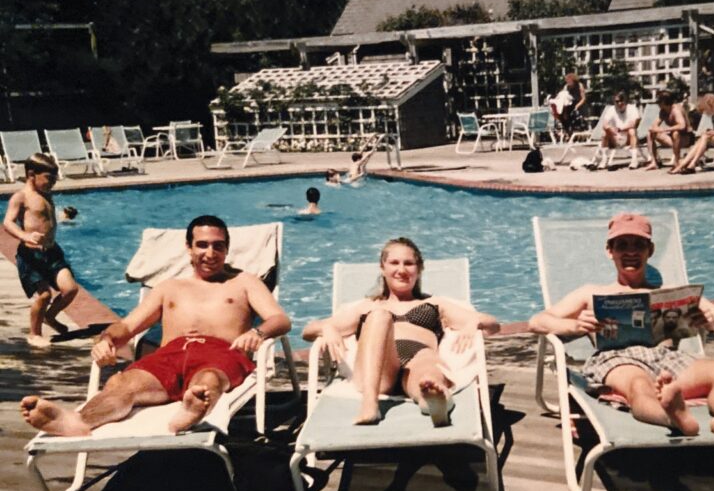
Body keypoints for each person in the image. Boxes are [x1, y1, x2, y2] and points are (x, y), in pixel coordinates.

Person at [20, 215, 291, 437]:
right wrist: (106, 339)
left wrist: (258, 333)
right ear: (189, 248)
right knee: (124, 384)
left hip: (222, 353)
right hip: (169, 356)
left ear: (227, 249)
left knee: (207, 382)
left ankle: (191, 410)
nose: (210, 253)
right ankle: (77, 422)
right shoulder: (169, 287)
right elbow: (126, 327)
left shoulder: (245, 282)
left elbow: (279, 319)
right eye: (202, 245)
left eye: (218, 246)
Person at [527, 212, 714, 435]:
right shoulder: (591, 293)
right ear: (610, 251)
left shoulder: (673, 292)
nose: (630, 251)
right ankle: (672, 416)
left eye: (638, 245)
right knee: (640, 385)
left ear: (650, 251)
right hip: (618, 360)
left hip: (669, 359)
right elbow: (537, 321)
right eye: (622, 245)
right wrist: (573, 326)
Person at [302, 237, 499, 427]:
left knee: (428, 374)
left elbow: (492, 324)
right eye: (394, 263)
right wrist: (327, 327)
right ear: (383, 267)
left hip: (417, 359)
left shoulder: (434, 304)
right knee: (380, 316)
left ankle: (434, 400)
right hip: (377, 372)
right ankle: (370, 405)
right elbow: (308, 330)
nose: (401, 270)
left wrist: (473, 320)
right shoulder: (366, 306)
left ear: (419, 269)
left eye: (409, 263)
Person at [3, 153, 80, 347]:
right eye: (49, 178)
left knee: (70, 289)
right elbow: (8, 222)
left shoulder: (46, 193)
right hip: (31, 255)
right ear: (31, 174)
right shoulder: (21, 197)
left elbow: (46, 218)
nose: (53, 183)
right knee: (44, 295)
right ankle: (34, 333)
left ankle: (50, 317)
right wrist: (25, 236)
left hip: (53, 252)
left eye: (54, 179)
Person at [672, 93, 714, 174]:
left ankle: (690, 164)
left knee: (705, 136)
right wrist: (712, 132)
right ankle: (685, 164)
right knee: (701, 138)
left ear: (712, 104)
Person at [644, 91, 693, 171]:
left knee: (675, 133)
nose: (657, 104)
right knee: (650, 133)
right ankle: (654, 162)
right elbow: (654, 125)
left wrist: (664, 129)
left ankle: (676, 162)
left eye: (658, 101)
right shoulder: (663, 111)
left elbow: (682, 125)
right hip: (674, 140)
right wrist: (655, 128)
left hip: (686, 138)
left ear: (663, 101)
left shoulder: (676, 110)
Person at [596, 92, 641, 170]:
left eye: (621, 101)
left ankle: (634, 160)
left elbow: (633, 124)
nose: (619, 103)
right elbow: (604, 124)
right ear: (614, 102)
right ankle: (604, 159)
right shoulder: (611, 109)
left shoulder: (632, 109)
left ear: (625, 101)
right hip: (614, 138)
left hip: (628, 139)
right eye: (617, 101)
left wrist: (620, 129)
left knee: (632, 131)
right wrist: (613, 131)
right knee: (604, 133)